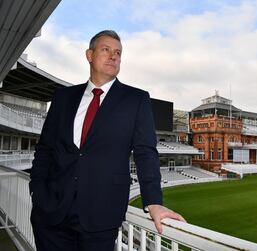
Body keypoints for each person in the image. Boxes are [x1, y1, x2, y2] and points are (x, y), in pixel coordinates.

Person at [29, 30, 185, 251]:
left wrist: (153, 202)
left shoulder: (137, 100)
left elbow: (146, 152)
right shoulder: (63, 98)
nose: (114, 56)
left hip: (101, 217)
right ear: (89, 55)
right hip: (50, 215)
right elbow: (45, 149)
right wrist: (36, 190)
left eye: (118, 52)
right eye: (106, 50)